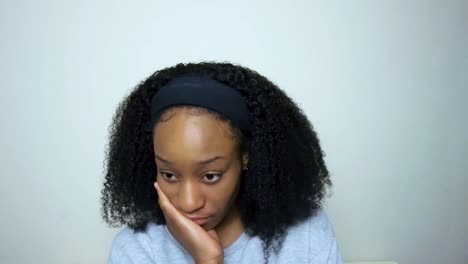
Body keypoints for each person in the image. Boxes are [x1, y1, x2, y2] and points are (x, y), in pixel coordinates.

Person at [101, 62, 343, 264]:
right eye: (169, 175)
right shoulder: (136, 251)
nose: (189, 202)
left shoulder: (304, 235)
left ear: (245, 156)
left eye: (210, 176)